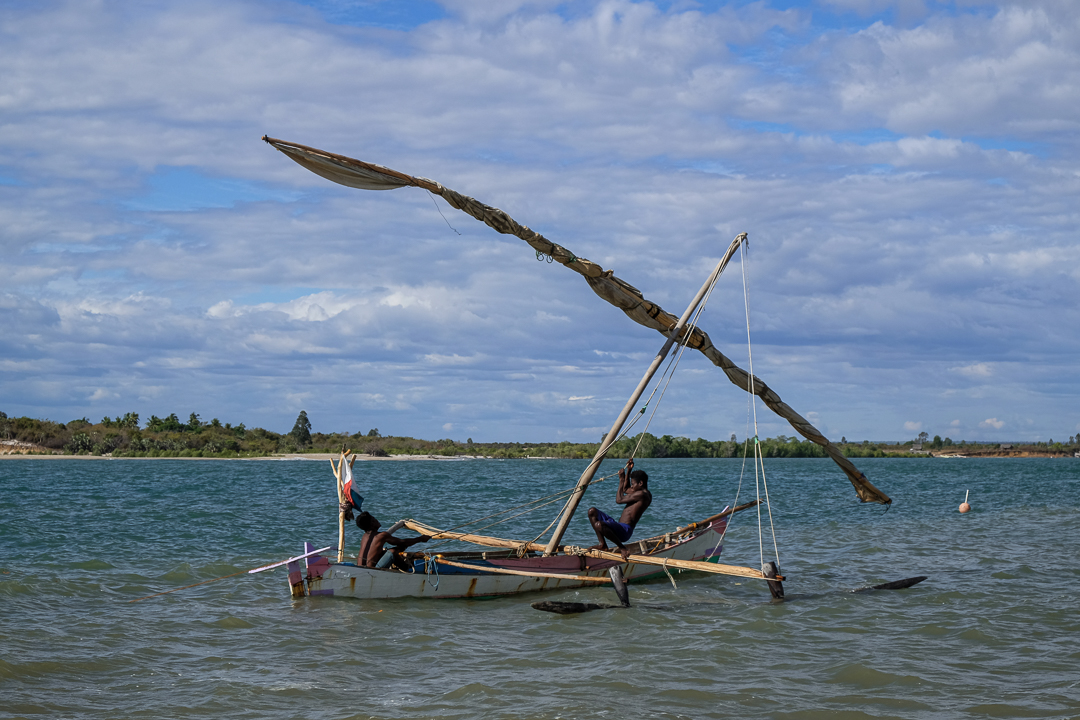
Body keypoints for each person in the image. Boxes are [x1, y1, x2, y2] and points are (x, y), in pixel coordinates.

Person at [587, 459, 652, 561]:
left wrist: (621, 480)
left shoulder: (643, 495)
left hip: (625, 530)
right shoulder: (639, 492)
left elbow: (619, 499)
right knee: (592, 511)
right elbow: (625, 489)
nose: (631, 486)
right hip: (619, 526)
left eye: (633, 484)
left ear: (640, 483)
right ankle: (603, 544)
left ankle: (623, 548)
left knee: (599, 525)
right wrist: (629, 471)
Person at [355, 512, 430, 570]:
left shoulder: (364, 536)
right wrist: (421, 539)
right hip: (373, 570)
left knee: (389, 551)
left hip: (361, 568)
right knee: (392, 552)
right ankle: (407, 568)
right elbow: (403, 542)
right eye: (374, 518)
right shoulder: (381, 535)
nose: (376, 520)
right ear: (372, 523)